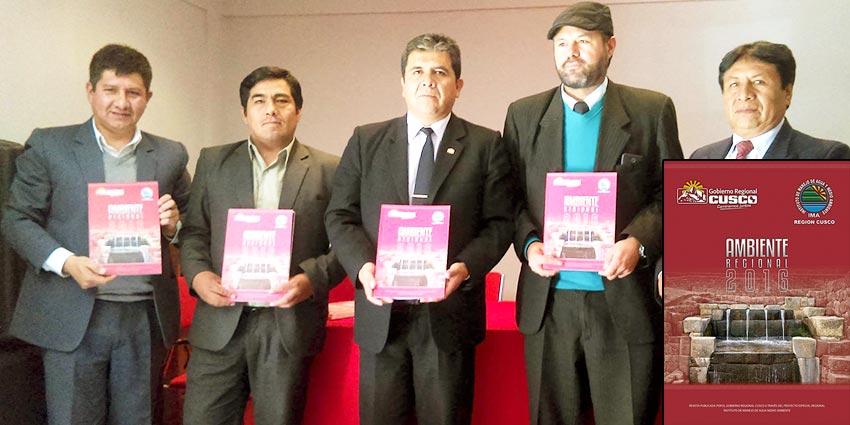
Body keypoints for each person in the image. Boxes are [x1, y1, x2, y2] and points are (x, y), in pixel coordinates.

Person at [502, 2, 684, 424]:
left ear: (610, 46)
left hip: (623, 300)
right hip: (549, 304)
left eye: (583, 41)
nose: (571, 51)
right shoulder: (523, 114)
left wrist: (638, 242)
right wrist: (529, 245)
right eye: (562, 43)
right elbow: (507, 198)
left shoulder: (650, 109)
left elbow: (672, 193)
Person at [325, 33, 514, 425]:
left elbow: (500, 222)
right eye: (418, 71)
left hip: (449, 315)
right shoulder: (366, 140)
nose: (428, 80)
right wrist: (362, 268)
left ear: (458, 85)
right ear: (402, 83)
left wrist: (465, 268)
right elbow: (340, 216)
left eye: (440, 72)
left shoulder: (485, 144)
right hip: (381, 315)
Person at [1, 44, 191, 425]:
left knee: (137, 419)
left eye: (133, 92)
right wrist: (67, 262)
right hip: (71, 312)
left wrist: (174, 227)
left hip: (143, 316)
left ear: (148, 97)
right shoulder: (50, 145)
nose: (122, 102)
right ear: (90, 91)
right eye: (111, 90)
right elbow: (16, 218)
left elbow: (191, 221)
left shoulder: (170, 154)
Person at [179, 66, 344, 424]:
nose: (271, 109)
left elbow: (346, 244)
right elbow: (194, 233)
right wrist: (199, 276)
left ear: (298, 111)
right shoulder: (213, 161)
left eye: (281, 100)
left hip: (287, 325)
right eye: (259, 101)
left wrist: (311, 279)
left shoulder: (329, 168)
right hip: (220, 322)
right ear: (245, 112)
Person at [691, 41, 850, 159]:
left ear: (787, 93)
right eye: (734, 84)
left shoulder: (826, 156)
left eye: (758, 82)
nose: (744, 94)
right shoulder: (701, 157)